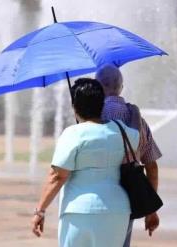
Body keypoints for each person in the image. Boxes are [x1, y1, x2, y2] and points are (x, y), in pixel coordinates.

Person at [31, 78, 140, 247]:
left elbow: (57, 176)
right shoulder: (122, 130)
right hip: (117, 209)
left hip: (79, 211)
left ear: (75, 107)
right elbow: (137, 145)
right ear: (101, 103)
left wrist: (40, 210)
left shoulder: (73, 134)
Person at [95, 64, 162, 247]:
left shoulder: (92, 117)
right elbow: (152, 167)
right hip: (127, 194)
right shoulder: (138, 119)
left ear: (97, 88)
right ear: (121, 87)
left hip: (96, 196)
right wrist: (150, 209)